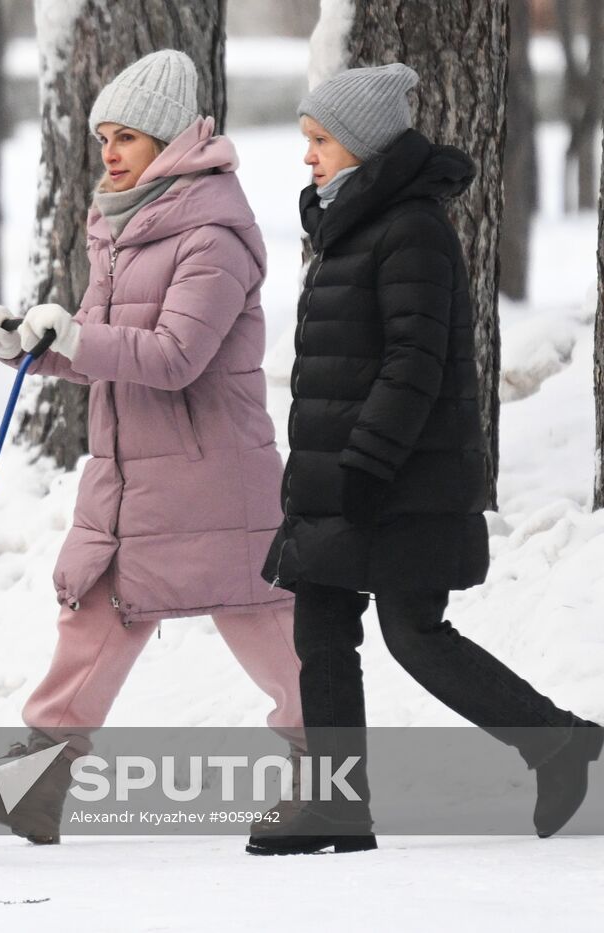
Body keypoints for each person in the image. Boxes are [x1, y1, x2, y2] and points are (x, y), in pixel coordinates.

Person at [0, 49, 304, 844]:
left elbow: (174, 357)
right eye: (104, 134)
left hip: (215, 481)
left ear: (171, 141)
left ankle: (333, 776)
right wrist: (28, 347)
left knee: (273, 638)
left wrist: (77, 332)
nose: (109, 151)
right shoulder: (126, 222)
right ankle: (35, 786)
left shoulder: (213, 232)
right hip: (132, 477)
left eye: (129, 137)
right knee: (93, 617)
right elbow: (105, 349)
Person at [249, 63, 602, 856]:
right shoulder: (349, 222)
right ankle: (339, 805)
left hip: (397, 476)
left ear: (366, 147)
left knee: (414, 631)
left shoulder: (410, 228)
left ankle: (559, 740)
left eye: (321, 141)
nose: (307, 156)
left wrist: (367, 463)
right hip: (345, 473)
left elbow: (415, 360)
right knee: (323, 626)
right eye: (306, 139)